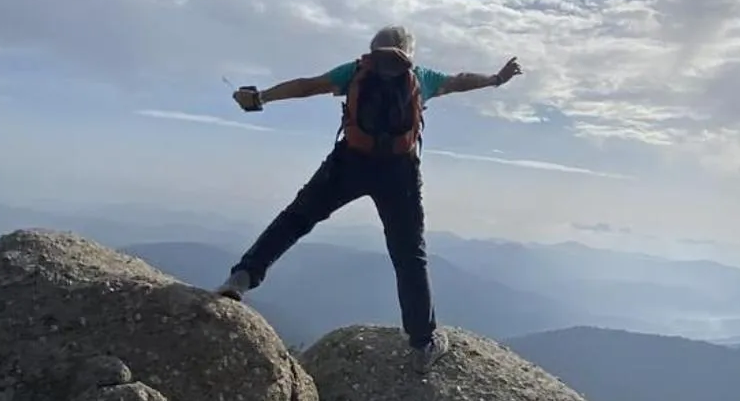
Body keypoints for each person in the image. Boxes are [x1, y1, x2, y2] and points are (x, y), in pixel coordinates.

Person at [218, 27, 522, 372]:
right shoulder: (421, 77)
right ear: (409, 52)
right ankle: (423, 342)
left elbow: (306, 85)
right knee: (409, 255)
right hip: (399, 173)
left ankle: (241, 278)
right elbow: (460, 80)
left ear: (373, 49)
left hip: (349, 161)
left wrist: (261, 97)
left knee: (296, 219)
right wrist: (496, 78)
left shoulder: (356, 71)